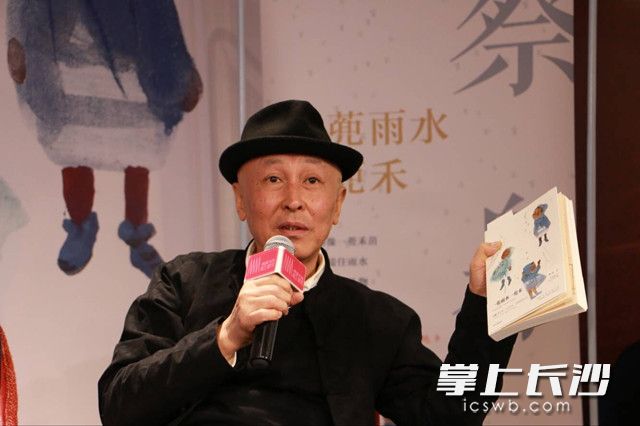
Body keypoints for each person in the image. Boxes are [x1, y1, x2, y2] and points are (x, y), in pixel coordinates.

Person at [98, 100, 517, 425]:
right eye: (273, 179)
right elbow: (119, 406)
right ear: (241, 200)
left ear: (338, 205)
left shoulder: (376, 319)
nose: (293, 200)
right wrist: (226, 335)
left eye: (312, 181)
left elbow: (448, 416)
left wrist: (486, 306)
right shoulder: (184, 282)